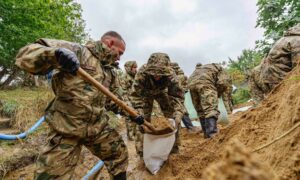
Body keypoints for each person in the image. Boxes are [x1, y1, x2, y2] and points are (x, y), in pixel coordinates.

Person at [15, 31, 143, 180]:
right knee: (49, 176)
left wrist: (134, 114)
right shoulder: (78, 51)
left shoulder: (110, 72)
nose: (120, 57)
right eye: (120, 52)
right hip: (67, 128)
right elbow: (24, 55)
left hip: (97, 128)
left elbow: (116, 100)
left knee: (118, 155)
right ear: (110, 43)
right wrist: (55, 54)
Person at [131, 53, 184, 156]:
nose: (157, 76)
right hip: (145, 95)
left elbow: (177, 96)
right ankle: (142, 152)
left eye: (160, 74)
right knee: (141, 121)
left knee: (174, 117)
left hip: (162, 92)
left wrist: (178, 113)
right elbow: (136, 95)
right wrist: (139, 112)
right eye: (154, 73)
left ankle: (174, 148)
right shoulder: (142, 73)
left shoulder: (171, 75)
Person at [188, 63, 230, 138]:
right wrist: (218, 93)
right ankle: (212, 134)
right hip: (205, 81)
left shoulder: (207, 68)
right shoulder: (221, 69)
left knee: (201, 110)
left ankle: (206, 134)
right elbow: (223, 83)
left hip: (191, 82)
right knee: (210, 108)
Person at [260, 23, 300, 93]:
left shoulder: (285, 38)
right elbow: (297, 68)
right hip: (280, 80)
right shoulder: (297, 41)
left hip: (270, 78)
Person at [170, 62, 200, 133]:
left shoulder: (172, 76)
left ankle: (177, 129)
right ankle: (190, 128)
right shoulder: (174, 77)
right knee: (182, 111)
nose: (177, 70)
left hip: (172, 98)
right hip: (174, 98)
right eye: (176, 69)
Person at [122, 60, 138, 141]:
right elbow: (123, 91)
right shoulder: (124, 77)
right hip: (128, 101)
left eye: (136, 67)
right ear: (129, 68)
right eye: (134, 68)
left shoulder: (135, 77)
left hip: (135, 101)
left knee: (136, 118)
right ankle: (131, 137)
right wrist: (127, 103)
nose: (135, 69)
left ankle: (134, 135)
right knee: (129, 119)